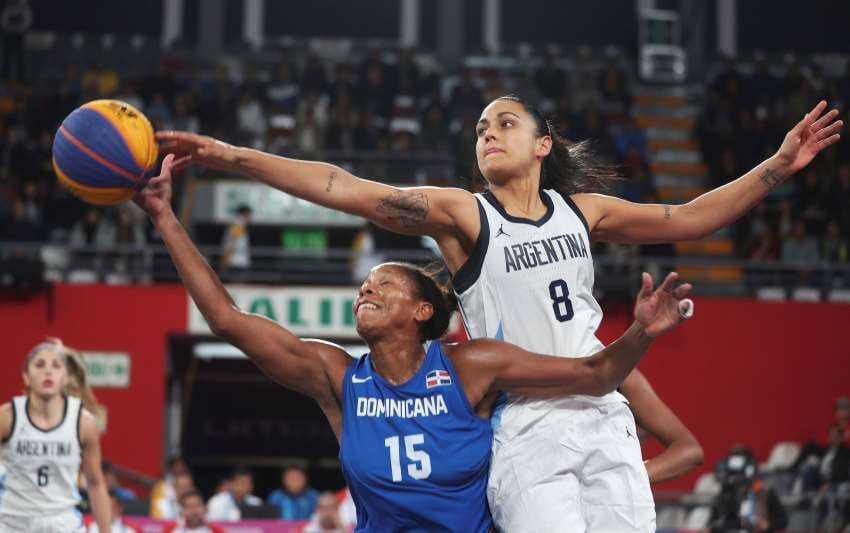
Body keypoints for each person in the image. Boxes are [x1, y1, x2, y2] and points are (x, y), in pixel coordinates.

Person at [159, 95, 840, 531]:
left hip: (602, 409)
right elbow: (347, 188)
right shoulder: (464, 213)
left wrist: (778, 165)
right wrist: (232, 155)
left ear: (543, 145)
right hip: (527, 417)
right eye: (481, 127)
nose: (487, 133)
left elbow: (688, 217)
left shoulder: (585, 211)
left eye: (504, 123)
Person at [133, 154, 695, 532]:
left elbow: (594, 376)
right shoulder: (339, 377)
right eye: (364, 284)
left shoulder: (470, 366)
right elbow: (228, 320)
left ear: (423, 310)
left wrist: (641, 331)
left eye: (385, 283)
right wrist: (164, 217)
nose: (366, 288)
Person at [0, 338, 111, 532]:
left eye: (56, 366)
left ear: (66, 377)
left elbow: (95, 483)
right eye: (40, 365)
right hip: (14, 521)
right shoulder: (6, 418)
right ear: (26, 376)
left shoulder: (83, 423)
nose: (48, 371)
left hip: (62, 522)